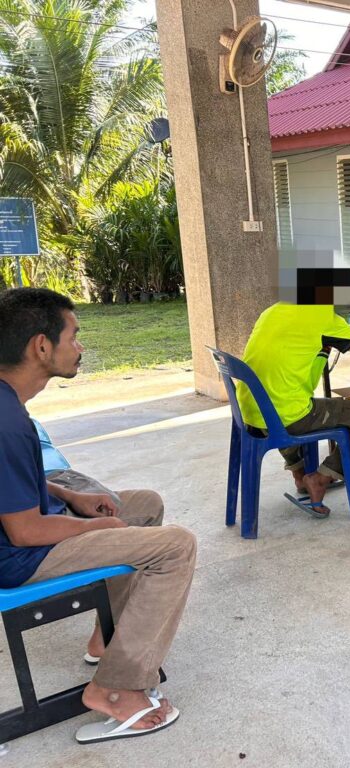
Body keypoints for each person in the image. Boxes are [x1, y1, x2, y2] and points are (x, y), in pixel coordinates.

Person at [0, 287, 196, 743]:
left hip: (24, 531)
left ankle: (108, 641)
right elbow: (25, 530)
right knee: (175, 547)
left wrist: (68, 495)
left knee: (143, 504)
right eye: (74, 336)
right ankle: (116, 688)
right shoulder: (6, 423)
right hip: (18, 557)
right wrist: (92, 526)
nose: (80, 347)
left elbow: (12, 483)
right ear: (41, 346)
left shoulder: (9, 403)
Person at [238, 301, 350, 517]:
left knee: (284, 403)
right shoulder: (323, 317)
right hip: (287, 416)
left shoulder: (272, 310)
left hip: (252, 412)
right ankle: (321, 478)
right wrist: (344, 329)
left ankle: (299, 474)